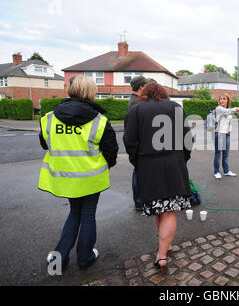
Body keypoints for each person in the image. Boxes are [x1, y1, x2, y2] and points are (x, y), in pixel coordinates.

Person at [38, 75, 119, 270]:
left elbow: (44, 144)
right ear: (91, 93)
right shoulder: (99, 121)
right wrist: (104, 164)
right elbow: (111, 151)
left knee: (74, 214)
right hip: (91, 179)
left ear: (70, 90)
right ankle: (85, 258)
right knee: (88, 215)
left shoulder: (49, 118)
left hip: (65, 178)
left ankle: (58, 260)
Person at [123, 82, 193, 274]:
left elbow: (129, 141)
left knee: (158, 207)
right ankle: (163, 254)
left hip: (148, 165)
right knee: (169, 210)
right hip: (173, 164)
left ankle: (163, 249)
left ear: (143, 94)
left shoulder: (136, 110)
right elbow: (188, 139)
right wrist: (181, 159)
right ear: (163, 93)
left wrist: (138, 161)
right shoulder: (176, 108)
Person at [128, 75, 152, 211]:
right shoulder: (136, 103)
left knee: (139, 172)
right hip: (140, 144)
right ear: (141, 87)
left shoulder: (136, 100)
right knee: (138, 173)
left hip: (139, 143)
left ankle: (140, 200)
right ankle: (139, 202)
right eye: (146, 85)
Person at [213, 93, 239, 179]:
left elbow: (228, 121)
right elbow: (228, 111)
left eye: (224, 99)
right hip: (219, 133)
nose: (222, 100)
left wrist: (230, 129)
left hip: (226, 134)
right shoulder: (219, 108)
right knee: (218, 153)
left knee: (226, 154)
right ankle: (216, 172)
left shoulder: (227, 109)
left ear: (227, 100)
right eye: (220, 99)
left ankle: (226, 171)